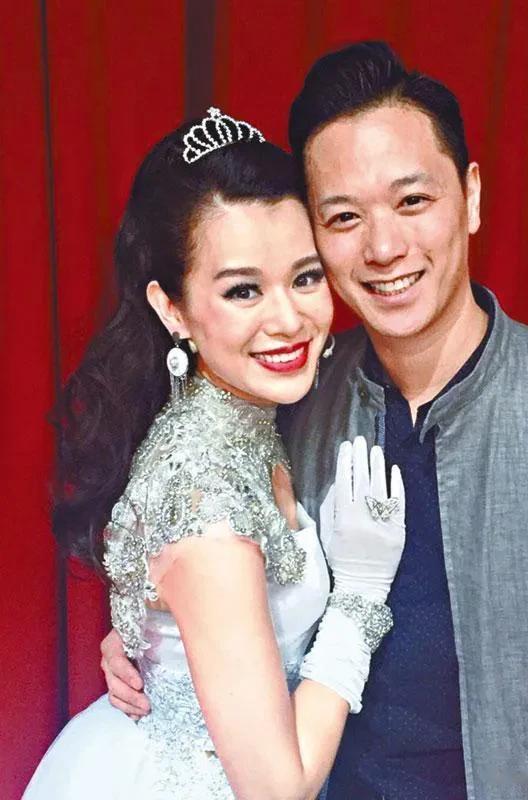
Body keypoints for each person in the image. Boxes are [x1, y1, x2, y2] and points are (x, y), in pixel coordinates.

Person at [103, 42, 528, 800]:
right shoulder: (295, 399)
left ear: (470, 196)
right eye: (345, 217)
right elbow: (221, 576)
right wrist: (160, 642)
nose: (384, 248)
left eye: (413, 201)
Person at [23, 109, 407, 800]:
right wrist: (359, 595)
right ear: (172, 309)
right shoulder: (210, 515)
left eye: (305, 277)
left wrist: (150, 641)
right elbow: (277, 790)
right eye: (242, 291)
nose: (288, 319)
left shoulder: (254, 419)